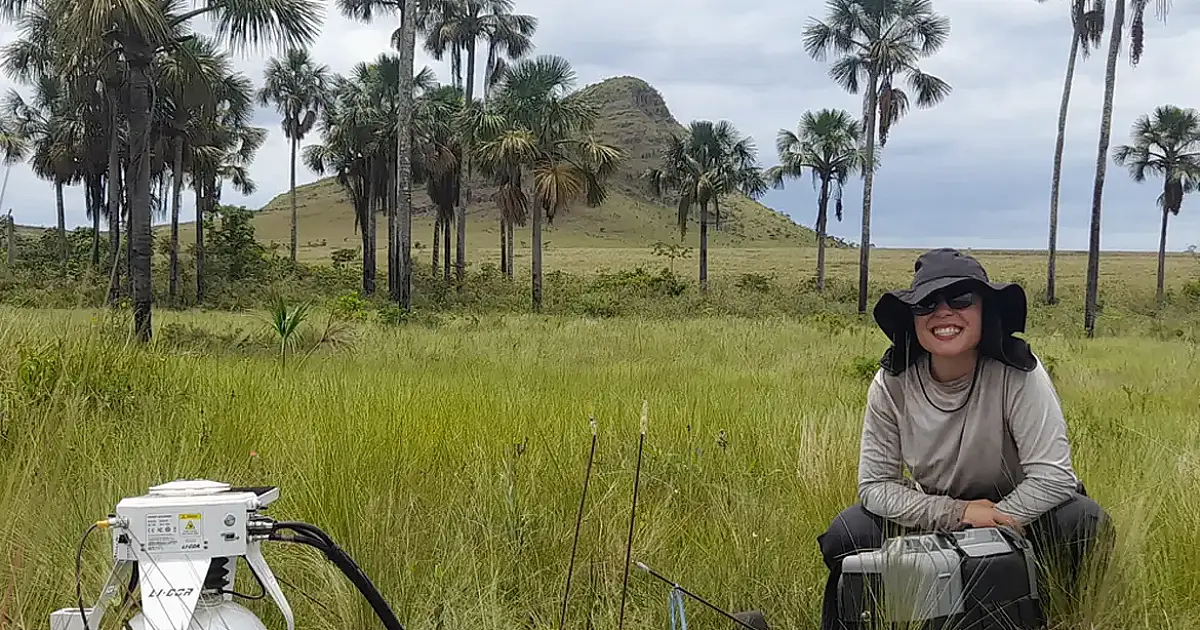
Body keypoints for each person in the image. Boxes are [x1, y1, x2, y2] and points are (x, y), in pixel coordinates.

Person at [817, 248, 1113, 630]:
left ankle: (1061, 617)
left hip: (1027, 516)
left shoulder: (1018, 373)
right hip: (937, 511)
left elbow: (1054, 477)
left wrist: (996, 520)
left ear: (984, 310)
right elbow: (875, 487)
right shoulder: (891, 383)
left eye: (960, 299)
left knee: (1083, 522)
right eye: (926, 303)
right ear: (913, 318)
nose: (943, 312)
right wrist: (958, 514)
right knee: (849, 533)